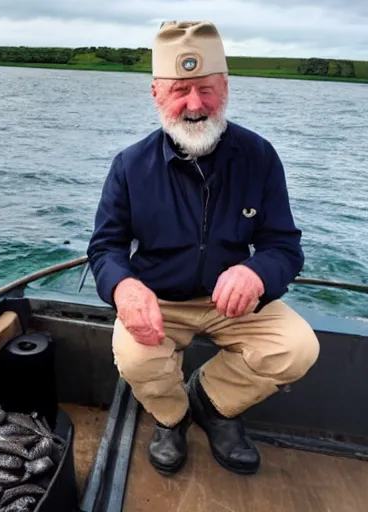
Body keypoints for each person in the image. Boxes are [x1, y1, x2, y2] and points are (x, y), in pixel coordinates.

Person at [86, 20, 320, 476]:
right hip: (161, 301)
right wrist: (124, 289)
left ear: (225, 87)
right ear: (156, 93)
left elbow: (284, 247)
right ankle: (171, 418)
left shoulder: (260, 156)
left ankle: (213, 404)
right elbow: (106, 247)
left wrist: (257, 274)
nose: (195, 105)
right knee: (134, 357)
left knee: (297, 348)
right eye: (180, 91)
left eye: (207, 90)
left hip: (232, 303)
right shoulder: (130, 165)